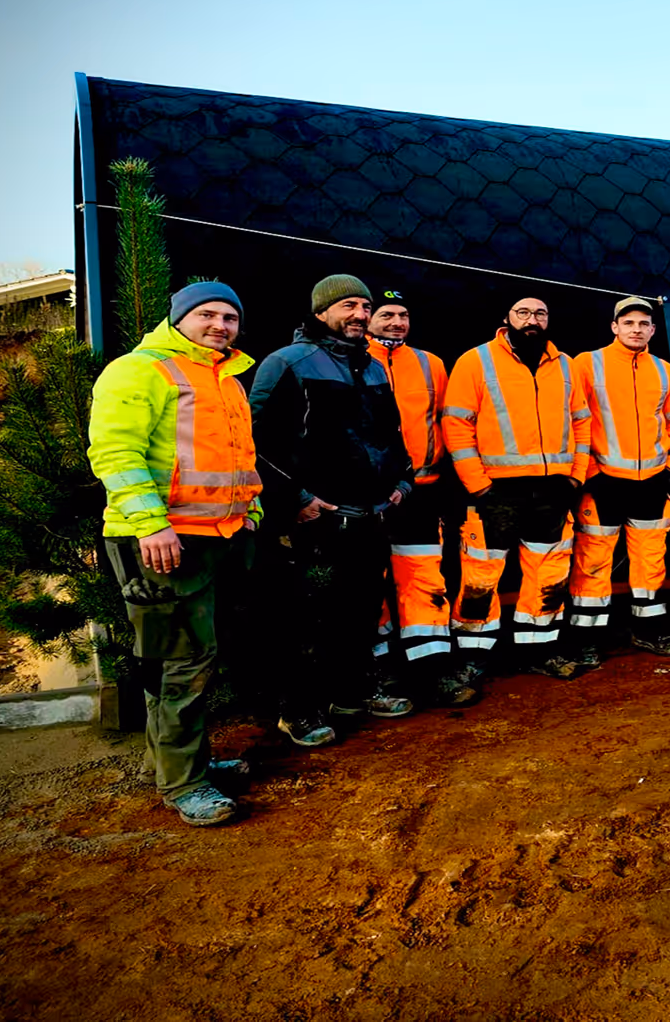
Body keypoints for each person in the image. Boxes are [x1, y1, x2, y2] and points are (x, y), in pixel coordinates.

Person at [89, 282, 261, 827]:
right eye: (207, 314)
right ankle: (185, 783)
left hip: (220, 536)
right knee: (180, 663)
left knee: (202, 657)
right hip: (163, 540)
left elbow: (234, 460)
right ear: (179, 319)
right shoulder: (140, 370)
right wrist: (151, 526)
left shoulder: (226, 378)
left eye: (230, 317)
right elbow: (116, 453)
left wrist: (249, 515)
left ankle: (189, 763)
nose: (220, 325)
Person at [249, 275, 416, 747]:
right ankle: (296, 711)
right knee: (303, 618)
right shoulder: (288, 363)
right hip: (316, 520)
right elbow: (255, 443)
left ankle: (349, 695)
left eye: (365, 306)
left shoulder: (373, 367)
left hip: (369, 516)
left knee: (359, 611)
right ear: (321, 311)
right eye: (348, 305)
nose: (360, 314)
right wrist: (295, 498)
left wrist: (403, 481)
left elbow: (391, 434)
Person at [442, 295, 591, 679]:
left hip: (553, 490)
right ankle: (473, 657)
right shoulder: (476, 361)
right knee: (481, 576)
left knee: (549, 574)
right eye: (523, 313)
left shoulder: (566, 366)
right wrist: (479, 487)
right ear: (506, 319)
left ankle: (539, 650)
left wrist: (575, 476)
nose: (532, 320)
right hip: (495, 491)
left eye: (540, 313)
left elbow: (582, 423)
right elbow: (456, 425)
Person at [366, 289, 477, 707]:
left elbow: (447, 422)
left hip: (423, 493)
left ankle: (432, 667)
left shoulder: (431, 364)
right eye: (387, 314)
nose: (396, 322)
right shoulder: (348, 360)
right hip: (368, 498)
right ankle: (381, 672)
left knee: (424, 579)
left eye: (404, 315)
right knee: (370, 583)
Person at [570, 296, 670, 657]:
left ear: (653, 330)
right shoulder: (586, 364)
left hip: (652, 481)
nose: (636, 330)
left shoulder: (664, 370)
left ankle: (649, 631)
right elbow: (573, 420)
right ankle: (586, 640)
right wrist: (589, 473)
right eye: (629, 323)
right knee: (593, 561)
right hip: (602, 481)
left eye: (643, 324)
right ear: (614, 327)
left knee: (650, 561)